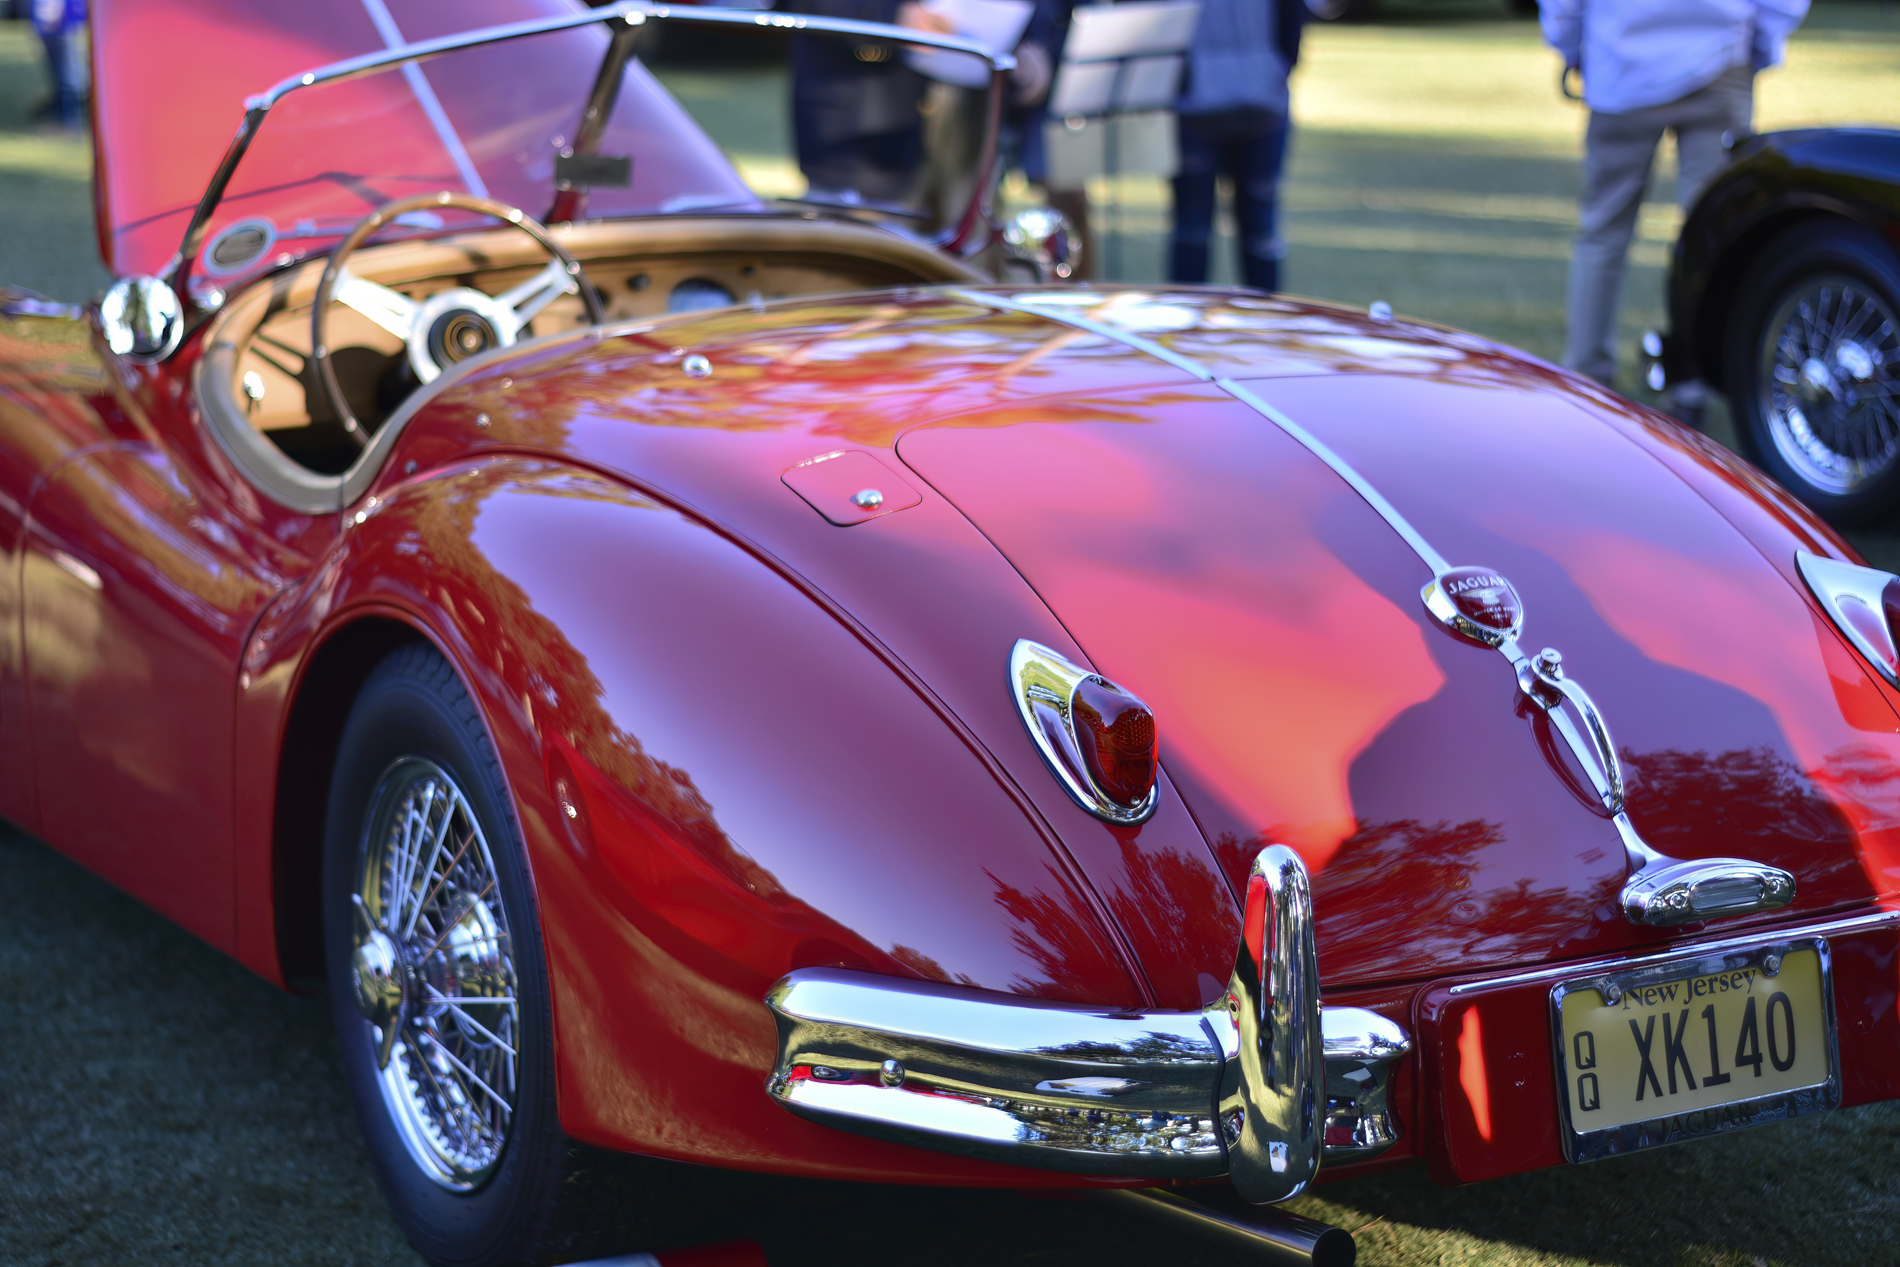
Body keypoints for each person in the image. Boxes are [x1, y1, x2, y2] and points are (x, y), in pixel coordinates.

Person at [1542, 0, 1809, 388]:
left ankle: (1588, 375)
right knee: (1710, 238)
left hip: (1622, 61)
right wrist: (1761, 43)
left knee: (1604, 232)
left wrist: (1570, 45)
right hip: (1718, 54)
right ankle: (1693, 383)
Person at [1168, 0, 1305, 293]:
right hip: (1193, 111)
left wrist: (1277, 68)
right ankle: (1183, 330)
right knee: (1191, 231)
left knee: (1261, 231)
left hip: (1262, 106)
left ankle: (1266, 326)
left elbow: (1293, 15)